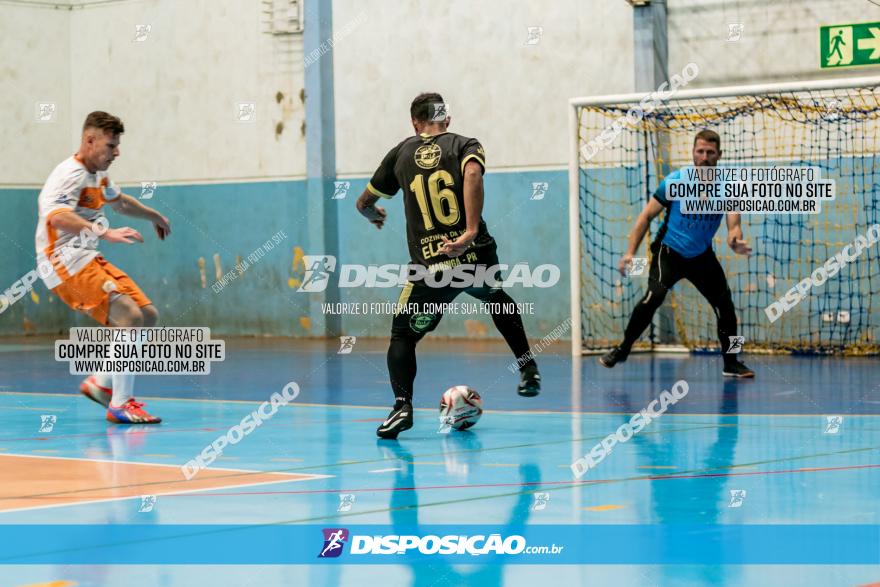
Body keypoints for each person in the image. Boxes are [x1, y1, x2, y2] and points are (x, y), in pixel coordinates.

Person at [356, 92, 541, 439]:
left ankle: (402, 406)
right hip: (474, 256)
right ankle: (528, 367)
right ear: (447, 120)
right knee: (496, 297)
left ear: (415, 122)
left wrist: (373, 215)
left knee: (403, 336)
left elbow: (364, 202)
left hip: (432, 265)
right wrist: (469, 232)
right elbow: (473, 174)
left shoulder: (401, 153)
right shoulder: (464, 144)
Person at [35, 111, 172, 423]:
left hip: (86, 259)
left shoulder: (99, 176)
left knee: (147, 315)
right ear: (90, 140)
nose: (116, 152)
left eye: (117, 145)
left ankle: (101, 381)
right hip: (62, 263)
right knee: (129, 316)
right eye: (111, 146)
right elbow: (56, 217)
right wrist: (104, 232)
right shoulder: (69, 175)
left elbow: (119, 202)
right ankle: (121, 403)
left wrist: (155, 216)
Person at [599, 129, 755, 378]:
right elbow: (646, 216)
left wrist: (734, 238)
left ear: (719, 155)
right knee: (654, 296)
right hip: (668, 252)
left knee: (726, 309)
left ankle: (732, 362)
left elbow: (734, 224)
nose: (705, 157)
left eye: (710, 153)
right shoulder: (675, 181)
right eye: (700, 151)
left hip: (702, 256)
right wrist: (630, 252)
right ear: (693, 153)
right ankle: (623, 348)